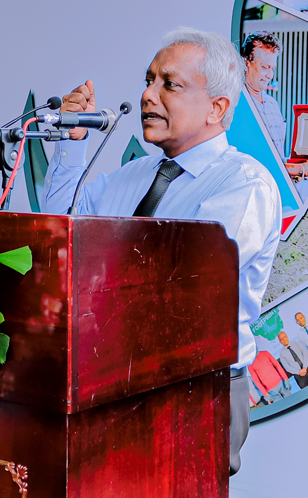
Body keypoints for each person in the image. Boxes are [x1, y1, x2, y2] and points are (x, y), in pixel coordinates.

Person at [41, 27, 282, 476]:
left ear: (217, 108)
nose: (148, 95)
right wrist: (73, 149)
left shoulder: (244, 185)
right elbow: (58, 235)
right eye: (149, 80)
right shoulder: (133, 175)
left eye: (169, 84)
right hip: (110, 374)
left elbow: (178, 284)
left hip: (193, 387)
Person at [241, 31, 286, 157]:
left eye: (272, 69)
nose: (270, 75)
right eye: (265, 67)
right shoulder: (235, 104)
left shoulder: (273, 104)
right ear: (246, 62)